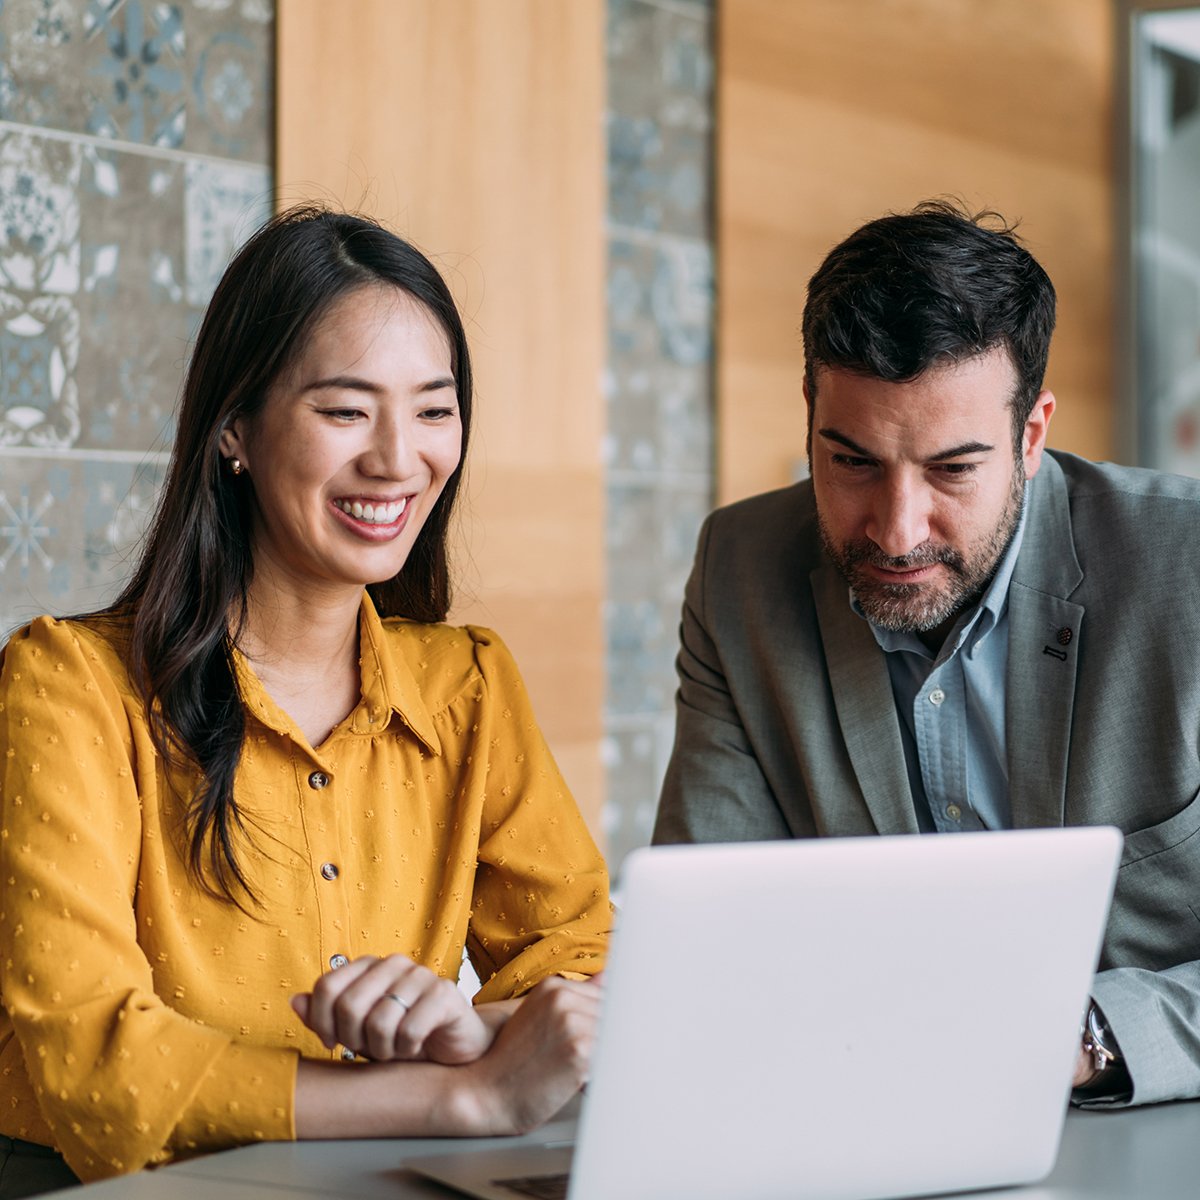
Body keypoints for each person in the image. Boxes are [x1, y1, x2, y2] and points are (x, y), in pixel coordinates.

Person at [0, 207, 609, 1195]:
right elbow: (95, 1069)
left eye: (433, 408)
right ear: (235, 427)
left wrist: (470, 1028)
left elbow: (587, 972)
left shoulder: (470, 688)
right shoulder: (67, 687)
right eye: (345, 410)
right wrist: (453, 1093)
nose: (398, 457)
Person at [654, 199, 1200, 1108]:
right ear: (809, 416)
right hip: (857, 1117)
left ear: (1033, 436)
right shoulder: (739, 573)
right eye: (853, 461)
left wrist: (1082, 1038)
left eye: (952, 469)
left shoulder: (1185, 571)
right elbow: (713, 937)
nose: (897, 531)